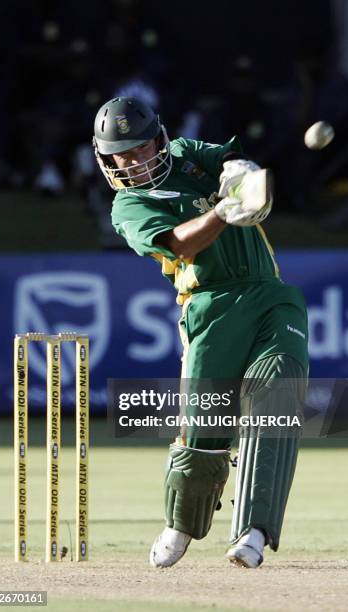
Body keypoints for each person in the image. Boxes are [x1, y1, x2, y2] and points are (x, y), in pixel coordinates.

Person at [93, 96, 309, 569]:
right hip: (210, 308)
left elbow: (226, 156)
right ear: (106, 159)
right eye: (121, 154)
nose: (132, 160)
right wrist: (224, 212)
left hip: (270, 294)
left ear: (159, 140)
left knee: (278, 394)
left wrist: (242, 171)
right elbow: (178, 243)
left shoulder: (188, 153)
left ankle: (253, 530)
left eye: (140, 147)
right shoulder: (128, 206)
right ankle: (182, 523)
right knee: (205, 435)